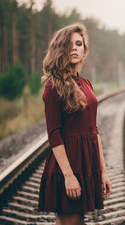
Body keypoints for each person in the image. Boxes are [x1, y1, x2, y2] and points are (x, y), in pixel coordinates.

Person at [38, 23, 112, 225]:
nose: (74, 48)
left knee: (70, 221)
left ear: (84, 49)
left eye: (79, 44)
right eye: (69, 44)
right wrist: (69, 176)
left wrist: (103, 171)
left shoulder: (86, 83)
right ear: (60, 49)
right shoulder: (53, 87)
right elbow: (54, 135)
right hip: (68, 166)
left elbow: (93, 130)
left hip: (86, 163)